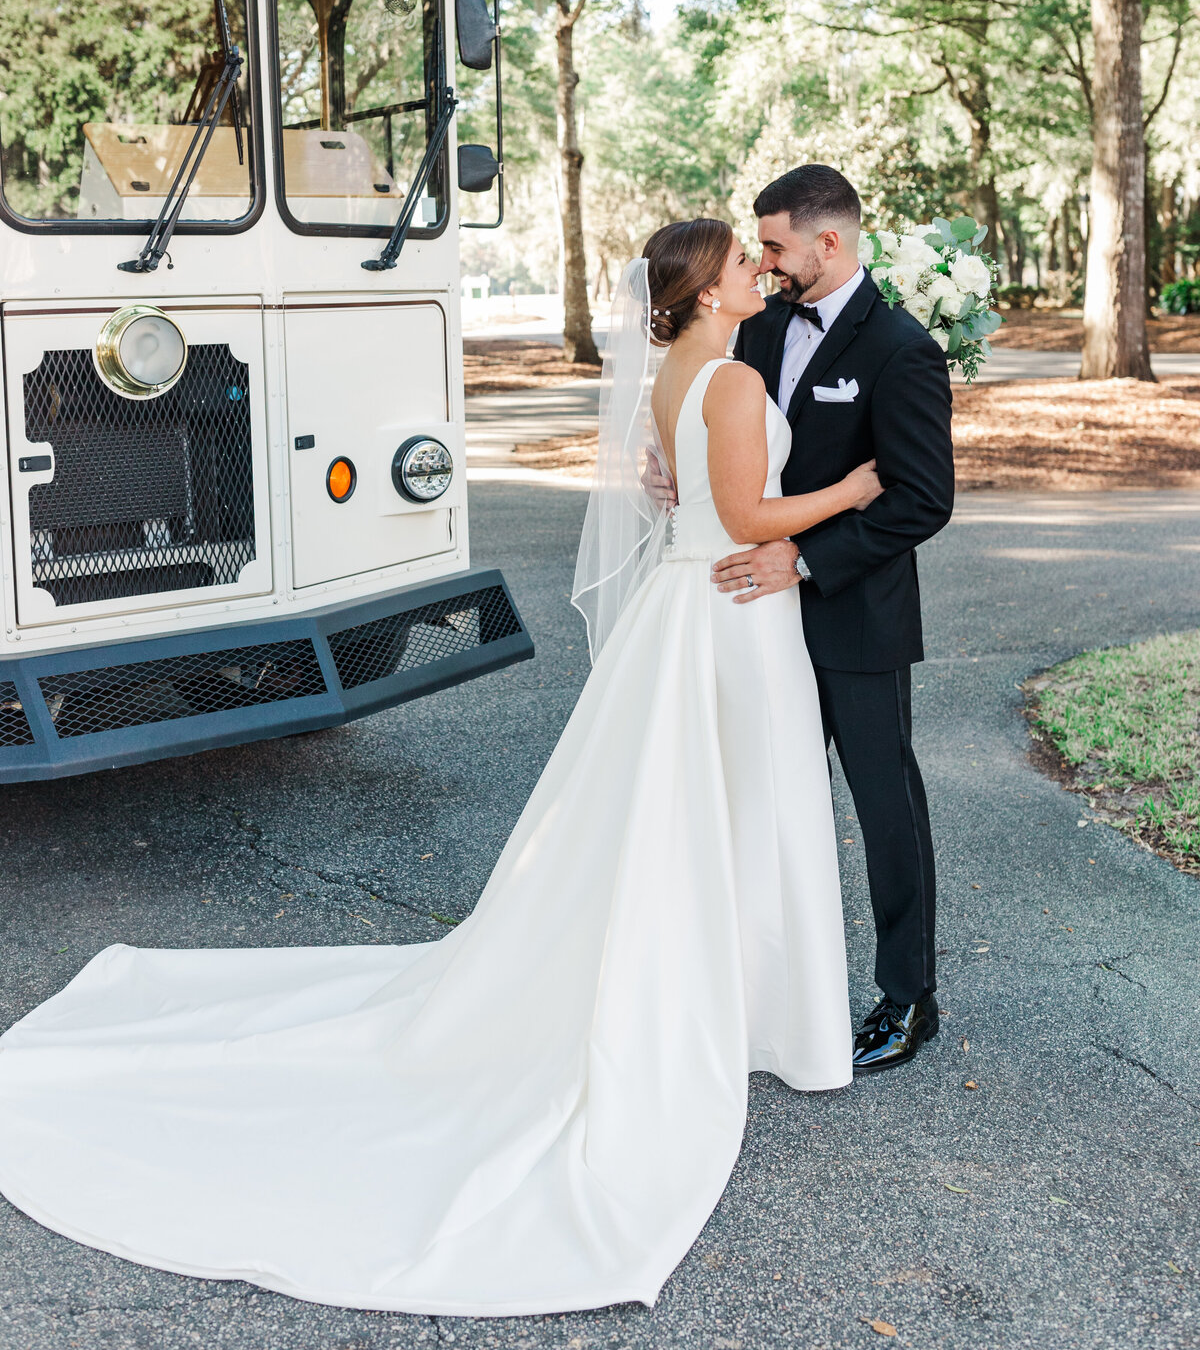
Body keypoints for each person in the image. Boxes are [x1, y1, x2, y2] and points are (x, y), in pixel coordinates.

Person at [0, 219, 881, 1318]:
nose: (762, 271)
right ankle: (763, 1012)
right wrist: (854, 491)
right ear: (706, 293)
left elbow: (688, 497)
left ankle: (735, 1003)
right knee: (752, 803)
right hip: (737, 617)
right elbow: (749, 517)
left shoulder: (672, 376)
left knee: (689, 814)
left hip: (685, 611)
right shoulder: (737, 385)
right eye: (744, 264)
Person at [721, 164, 955, 1073]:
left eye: (776, 246)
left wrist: (807, 559)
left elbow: (922, 500)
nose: (767, 264)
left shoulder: (901, 349)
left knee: (883, 805)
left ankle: (908, 997)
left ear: (830, 242)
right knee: (774, 801)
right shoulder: (763, 327)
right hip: (759, 621)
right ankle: (782, 990)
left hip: (856, 621)